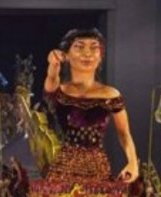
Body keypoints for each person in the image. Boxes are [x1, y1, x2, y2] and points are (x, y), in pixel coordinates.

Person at [43, 28, 139, 183]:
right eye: (79, 47)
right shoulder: (59, 91)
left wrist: (133, 163)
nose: (87, 54)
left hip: (98, 170)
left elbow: (124, 134)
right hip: (63, 170)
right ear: (66, 55)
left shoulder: (111, 95)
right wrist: (53, 64)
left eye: (94, 48)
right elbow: (52, 78)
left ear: (101, 56)